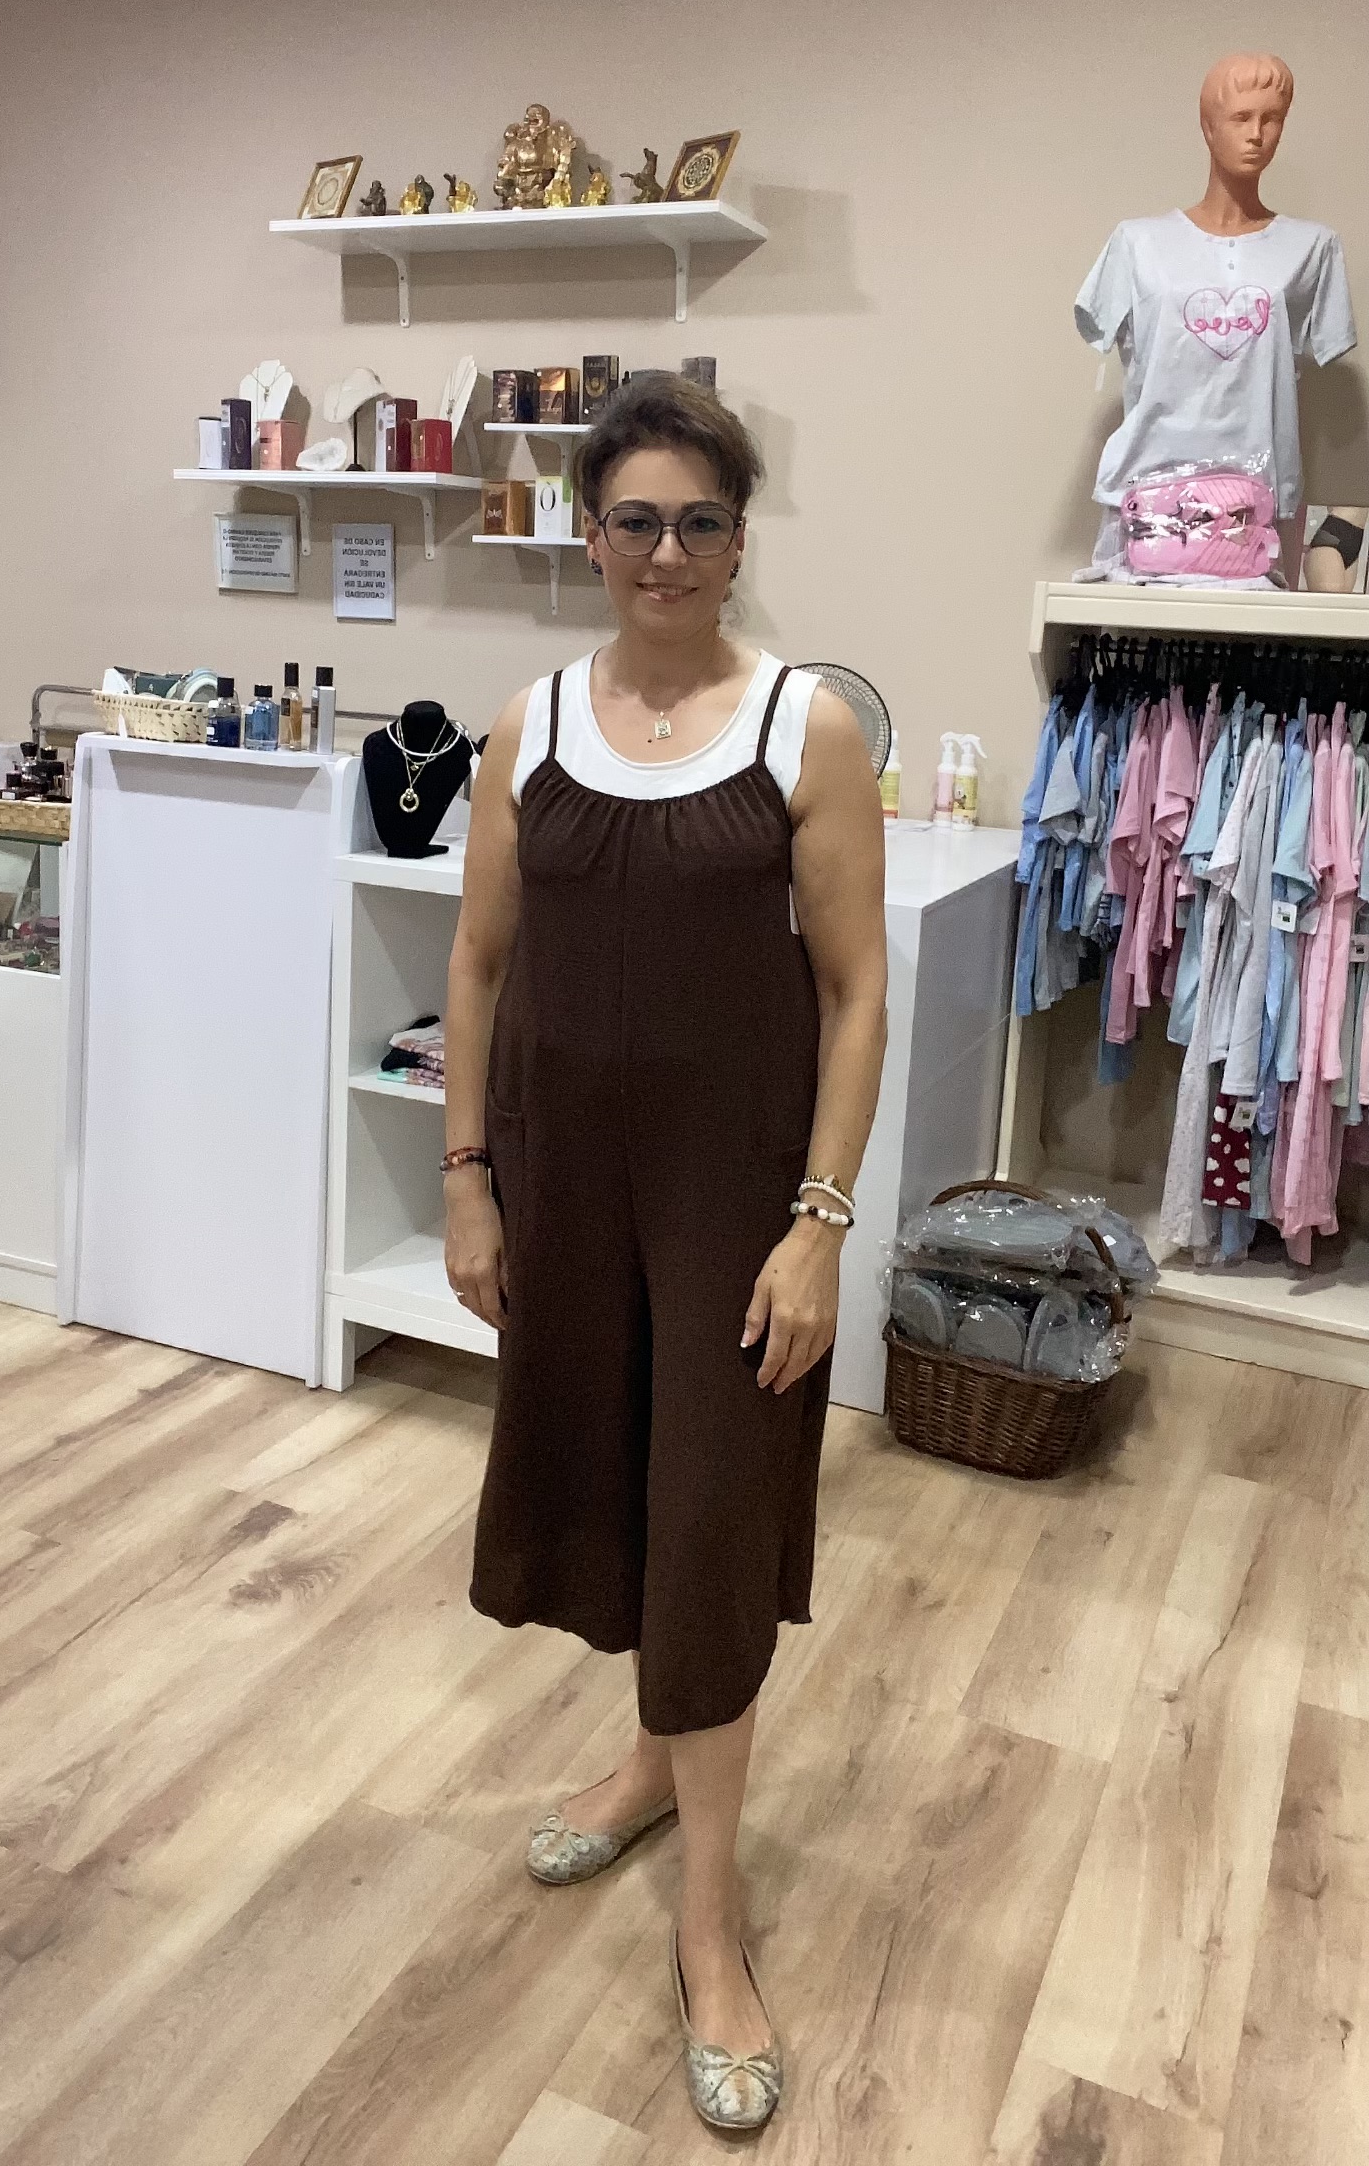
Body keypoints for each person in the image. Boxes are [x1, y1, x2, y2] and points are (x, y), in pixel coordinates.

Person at [443, 375, 888, 2134]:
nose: (667, 552)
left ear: (739, 539)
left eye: (701, 521)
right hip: (566, 1194)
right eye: (635, 518)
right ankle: (646, 1768)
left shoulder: (802, 727)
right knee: (619, 1495)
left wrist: (820, 1225)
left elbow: (855, 996)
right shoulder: (532, 724)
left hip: (732, 1210)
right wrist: (468, 1180)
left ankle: (712, 1927)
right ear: (591, 534)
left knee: (706, 1530)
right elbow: (480, 965)